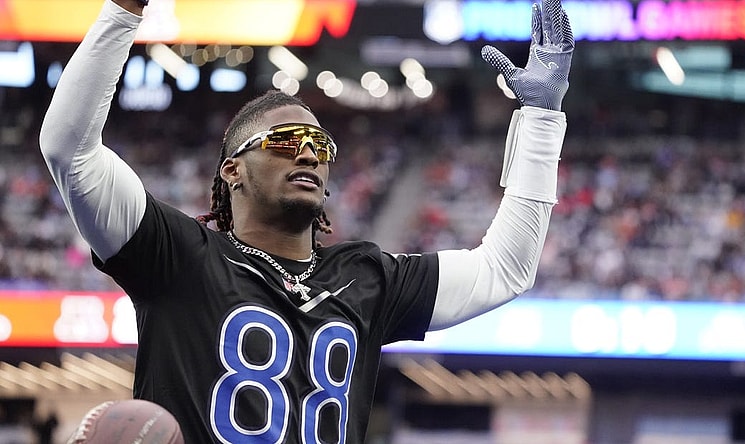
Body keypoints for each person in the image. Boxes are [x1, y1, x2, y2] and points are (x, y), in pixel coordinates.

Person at [39, 0, 574, 442]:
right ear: (233, 171)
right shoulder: (180, 257)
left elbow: (507, 269)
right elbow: (70, 150)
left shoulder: (367, 277)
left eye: (320, 144)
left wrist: (543, 121)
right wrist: (124, 10)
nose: (308, 154)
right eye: (285, 141)